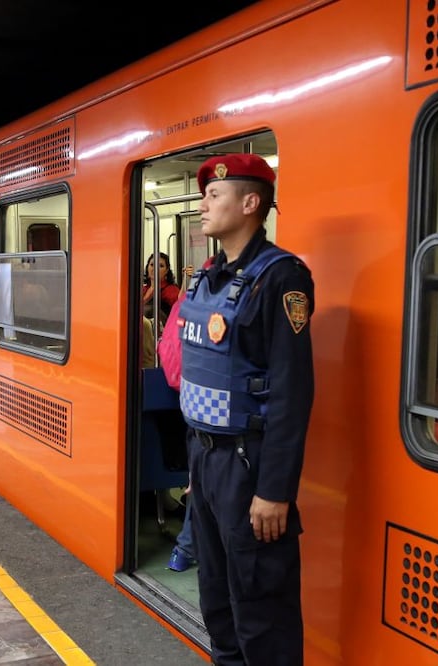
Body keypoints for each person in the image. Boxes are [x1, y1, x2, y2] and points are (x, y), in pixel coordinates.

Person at [179, 153, 314, 665]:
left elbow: (292, 392)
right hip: (207, 462)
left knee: (261, 611)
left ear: (250, 203)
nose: (203, 204)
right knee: (217, 602)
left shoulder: (282, 280)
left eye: (214, 195)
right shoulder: (206, 279)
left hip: (248, 465)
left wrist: (275, 490)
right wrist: (195, 467)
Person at [142, 252, 181, 323]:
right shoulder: (143, 289)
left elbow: (180, 313)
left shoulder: (171, 290)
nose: (155, 268)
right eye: (152, 265)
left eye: (160, 266)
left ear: (167, 270)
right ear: (147, 267)